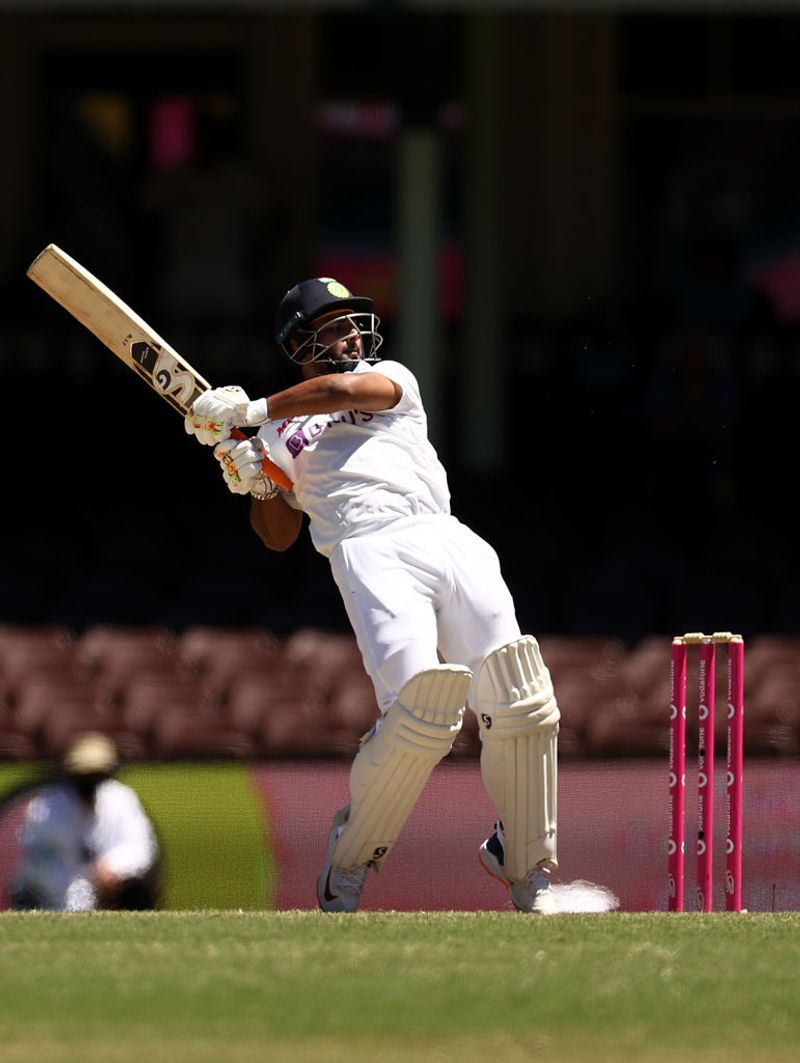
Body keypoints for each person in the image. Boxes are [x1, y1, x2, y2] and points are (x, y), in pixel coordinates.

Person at [184, 277, 561, 914]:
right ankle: (350, 857)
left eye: (352, 321)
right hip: (369, 549)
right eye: (332, 327)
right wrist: (254, 481)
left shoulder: (387, 376)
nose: (351, 334)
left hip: (447, 535)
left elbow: (342, 389)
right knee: (421, 713)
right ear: (299, 340)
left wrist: (248, 413)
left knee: (519, 695)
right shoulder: (276, 437)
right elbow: (278, 537)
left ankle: (524, 862)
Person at [10, 733, 159, 911]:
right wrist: (81, 880)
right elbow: (37, 863)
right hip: (53, 895)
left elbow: (140, 846)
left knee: (137, 892)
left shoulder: (121, 799)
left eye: (95, 778)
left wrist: (112, 868)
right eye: (83, 779)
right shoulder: (46, 808)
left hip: (109, 893)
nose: (89, 786)